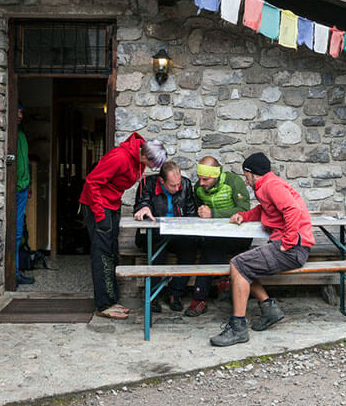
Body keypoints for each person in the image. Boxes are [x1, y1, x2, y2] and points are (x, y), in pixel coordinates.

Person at [211, 153, 313, 347]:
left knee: (238, 265)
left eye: (245, 175)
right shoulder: (267, 185)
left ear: (250, 173)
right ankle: (269, 309)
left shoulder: (271, 186)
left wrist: (288, 241)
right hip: (292, 246)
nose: (245, 179)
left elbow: (292, 210)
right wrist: (244, 215)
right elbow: (264, 210)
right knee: (243, 265)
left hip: (293, 248)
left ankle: (238, 328)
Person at [80, 133, 168, 320]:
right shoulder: (119, 157)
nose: (154, 168)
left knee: (111, 251)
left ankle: (111, 300)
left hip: (111, 204)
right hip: (98, 205)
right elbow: (91, 182)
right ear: (145, 157)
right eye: (154, 165)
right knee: (102, 254)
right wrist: (100, 213)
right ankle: (103, 305)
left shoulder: (139, 159)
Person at [189, 155, 252, 316]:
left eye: (205, 180)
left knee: (209, 249)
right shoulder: (198, 188)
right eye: (199, 179)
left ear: (215, 176)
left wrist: (214, 213)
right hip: (215, 237)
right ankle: (223, 282)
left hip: (239, 236)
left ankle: (200, 298)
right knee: (208, 246)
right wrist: (201, 213)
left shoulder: (233, 182)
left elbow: (244, 208)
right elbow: (197, 210)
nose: (201, 183)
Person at [133, 159, 199, 312]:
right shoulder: (147, 184)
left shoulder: (186, 184)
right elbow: (142, 204)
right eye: (172, 185)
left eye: (178, 184)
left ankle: (176, 293)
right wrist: (144, 208)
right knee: (157, 250)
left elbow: (191, 212)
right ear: (161, 180)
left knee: (189, 248)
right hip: (155, 234)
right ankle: (154, 295)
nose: (177, 188)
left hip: (177, 234)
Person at [14, 104, 34, 286]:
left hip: (22, 188)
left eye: (22, 112)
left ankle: (15, 271)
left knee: (18, 232)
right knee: (14, 232)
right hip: (14, 189)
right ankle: (13, 272)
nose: (20, 115)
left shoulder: (21, 135)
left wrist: (29, 185)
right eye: (17, 111)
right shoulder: (10, 135)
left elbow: (26, 162)